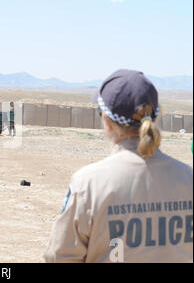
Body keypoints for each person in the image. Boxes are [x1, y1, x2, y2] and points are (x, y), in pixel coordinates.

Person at [43, 70, 193, 263]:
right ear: (155, 117)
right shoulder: (188, 178)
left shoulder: (89, 184)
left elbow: (60, 257)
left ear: (106, 120)